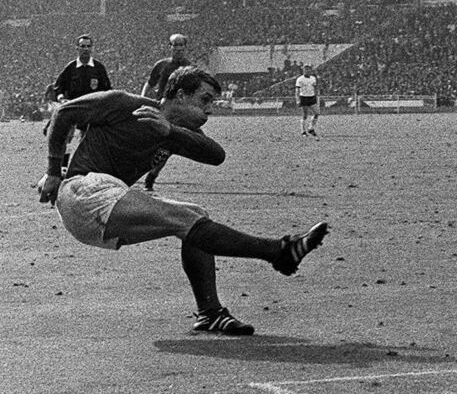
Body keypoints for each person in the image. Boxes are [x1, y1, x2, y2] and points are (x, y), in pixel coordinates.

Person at [37, 66, 330, 336]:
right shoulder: (127, 104)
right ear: (180, 95)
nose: (209, 109)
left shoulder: (173, 132)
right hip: (83, 190)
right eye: (204, 99)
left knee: (194, 215)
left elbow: (216, 155)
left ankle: (210, 312)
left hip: (104, 206)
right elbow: (65, 113)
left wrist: (170, 132)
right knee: (187, 220)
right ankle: (278, 251)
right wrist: (53, 172)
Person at [139, 33, 192, 191]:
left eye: (181, 45)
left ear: (185, 47)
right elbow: (149, 84)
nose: (178, 48)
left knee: (166, 148)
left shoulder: (189, 68)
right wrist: (142, 98)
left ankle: (151, 179)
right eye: (175, 45)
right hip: (160, 109)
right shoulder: (162, 65)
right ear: (170, 47)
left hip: (177, 114)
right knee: (148, 144)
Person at [52, 35, 113, 172]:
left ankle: (85, 168)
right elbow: (58, 88)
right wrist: (62, 99)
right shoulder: (71, 68)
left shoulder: (98, 68)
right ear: (77, 48)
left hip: (91, 112)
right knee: (66, 139)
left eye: (88, 46)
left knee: (87, 141)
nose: (86, 49)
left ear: (92, 48)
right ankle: (62, 168)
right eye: (83, 46)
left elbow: (108, 90)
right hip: (73, 110)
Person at [295, 64, 320, 137]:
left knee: (317, 113)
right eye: (306, 70)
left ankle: (310, 128)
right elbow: (297, 90)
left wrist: (316, 95)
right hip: (303, 97)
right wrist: (298, 100)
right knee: (305, 115)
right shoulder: (300, 79)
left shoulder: (313, 78)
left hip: (311, 97)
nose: (307, 71)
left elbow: (315, 87)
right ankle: (303, 131)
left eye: (309, 70)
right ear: (303, 71)